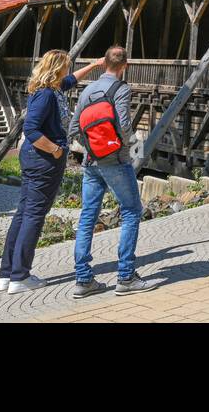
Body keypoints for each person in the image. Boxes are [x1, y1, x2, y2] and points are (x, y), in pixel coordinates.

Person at [0, 50, 102, 293]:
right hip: (44, 160)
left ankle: (6, 274)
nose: (68, 70)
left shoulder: (51, 88)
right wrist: (55, 150)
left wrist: (95, 65)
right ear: (57, 69)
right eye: (66, 66)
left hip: (37, 160)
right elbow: (32, 130)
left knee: (24, 213)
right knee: (34, 215)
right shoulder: (46, 95)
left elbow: (71, 80)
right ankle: (20, 276)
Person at [68, 46, 149, 297]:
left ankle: (83, 280)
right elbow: (124, 125)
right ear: (125, 65)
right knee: (131, 211)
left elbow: (73, 128)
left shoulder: (87, 90)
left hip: (91, 162)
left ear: (104, 63)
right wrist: (128, 146)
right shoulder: (121, 89)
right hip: (115, 161)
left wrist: (93, 145)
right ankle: (125, 277)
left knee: (87, 217)